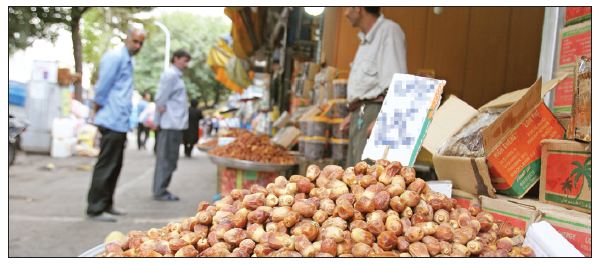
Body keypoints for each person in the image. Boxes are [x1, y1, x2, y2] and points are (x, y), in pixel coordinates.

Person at [86, 28, 146, 222]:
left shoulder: (129, 61)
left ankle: (107, 203)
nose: (137, 46)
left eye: (140, 43)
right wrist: (96, 108)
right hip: (111, 120)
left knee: (115, 166)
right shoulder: (114, 57)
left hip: (120, 122)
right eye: (135, 41)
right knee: (106, 166)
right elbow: (102, 87)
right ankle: (95, 208)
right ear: (127, 39)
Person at [340, 7, 407, 167]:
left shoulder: (389, 31)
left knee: (368, 178)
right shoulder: (365, 40)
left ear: (359, 8)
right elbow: (369, 87)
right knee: (354, 174)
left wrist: (383, 120)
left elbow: (397, 83)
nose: (345, 13)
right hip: (362, 114)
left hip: (376, 113)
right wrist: (354, 113)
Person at [152, 49, 191, 201]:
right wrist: (156, 121)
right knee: (166, 160)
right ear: (176, 59)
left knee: (170, 160)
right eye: (184, 60)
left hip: (175, 125)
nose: (186, 64)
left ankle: (161, 189)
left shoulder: (176, 76)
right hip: (169, 124)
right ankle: (160, 191)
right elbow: (160, 100)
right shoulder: (170, 75)